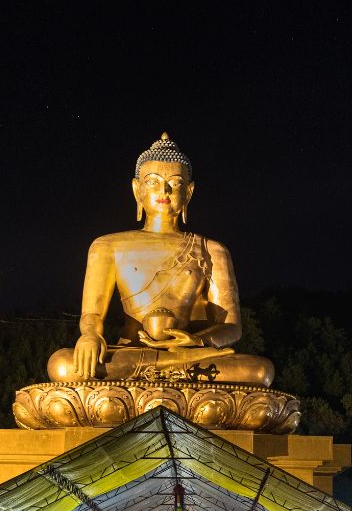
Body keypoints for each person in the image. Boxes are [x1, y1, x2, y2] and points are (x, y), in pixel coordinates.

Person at [44, 133, 274, 387]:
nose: (164, 191)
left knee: (259, 372)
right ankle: (167, 376)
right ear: (136, 189)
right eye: (153, 182)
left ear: (189, 192)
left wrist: (198, 341)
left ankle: (158, 375)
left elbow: (231, 326)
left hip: (190, 356)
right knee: (63, 365)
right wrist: (89, 336)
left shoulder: (212, 250)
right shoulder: (107, 246)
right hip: (131, 352)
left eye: (174, 184)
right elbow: (92, 316)